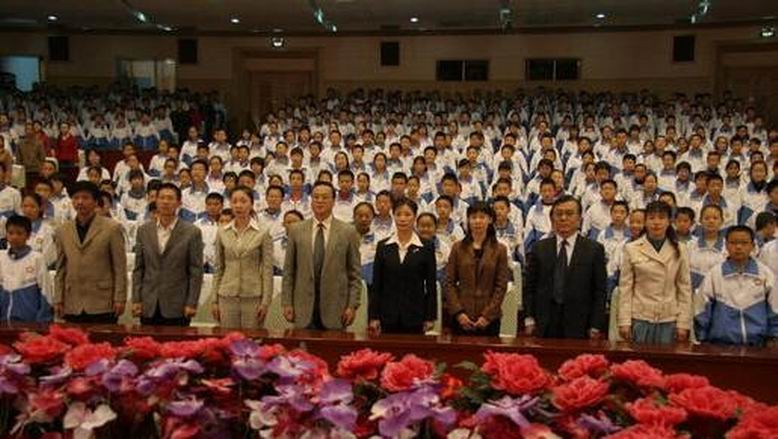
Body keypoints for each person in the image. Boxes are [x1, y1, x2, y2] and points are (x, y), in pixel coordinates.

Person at [522, 195, 607, 339]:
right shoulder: (539, 248)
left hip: (580, 324)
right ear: (552, 219)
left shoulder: (594, 250)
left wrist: (596, 324)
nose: (563, 218)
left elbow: (600, 291)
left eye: (569, 213)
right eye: (559, 214)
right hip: (544, 322)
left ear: (579, 219)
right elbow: (530, 287)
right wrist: (529, 317)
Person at [281, 181, 362, 330]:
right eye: (316, 197)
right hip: (302, 308)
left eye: (325, 197)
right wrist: (287, 303)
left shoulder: (348, 232)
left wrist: (352, 305)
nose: (320, 201)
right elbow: (289, 271)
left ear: (333, 201)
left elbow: (354, 274)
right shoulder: (296, 230)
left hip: (336, 309)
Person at [618, 201, 693, 344]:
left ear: (669, 221)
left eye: (662, 218)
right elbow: (625, 288)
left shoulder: (680, 249)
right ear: (645, 222)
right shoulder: (631, 248)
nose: (656, 222)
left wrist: (683, 323)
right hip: (640, 317)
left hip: (669, 318)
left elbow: (684, 288)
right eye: (651, 218)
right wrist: (624, 321)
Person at [53, 181, 127, 323]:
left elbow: (120, 267)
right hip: (72, 301)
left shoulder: (112, 228)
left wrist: (120, 298)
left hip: (103, 302)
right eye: (76, 198)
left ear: (95, 202)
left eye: (85, 198)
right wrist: (58, 299)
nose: (80, 202)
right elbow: (60, 268)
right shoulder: (63, 230)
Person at [132, 183, 204, 326]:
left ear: (179, 203)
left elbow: (196, 271)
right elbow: (139, 269)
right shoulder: (143, 230)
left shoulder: (192, 232)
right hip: (149, 303)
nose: (165, 202)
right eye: (162, 198)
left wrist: (192, 302)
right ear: (156, 201)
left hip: (178, 305)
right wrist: (136, 299)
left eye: (170, 198)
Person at [695, 225, 777, 346]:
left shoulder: (765, 274)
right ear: (726, 245)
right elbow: (702, 310)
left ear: (753, 246)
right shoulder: (714, 274)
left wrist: (773, 337)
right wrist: (702, 338)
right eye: (733, 243)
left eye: (744, 243)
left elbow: (775, 309)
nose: (738, 247)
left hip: (758, 346)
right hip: (719, 346)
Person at [369, 197, 437, 335]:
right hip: (387, 315)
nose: (402, 219)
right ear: (393, 216)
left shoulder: (426, 247)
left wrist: (430, 316)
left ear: (415, 217)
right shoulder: (383, 246)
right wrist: (373, 316)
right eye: (398, 214)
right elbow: (377, 284)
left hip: (415, 315)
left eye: (407, 214)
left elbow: (431, 285)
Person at [210, 186, 274, 329]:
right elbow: (218, 268)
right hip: (226, 295)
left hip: (253, 296)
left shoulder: (263, 232)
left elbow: (267, 270)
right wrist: (214, 300)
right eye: (234, 201)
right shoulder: (222, 232)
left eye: (243, 201)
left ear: (251, 204)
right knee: (228, 339)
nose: (238, 205)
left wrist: (265, 302)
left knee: (252, 339)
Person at [445, 201, 508, 336]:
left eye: (482, 217)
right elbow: (449, 282)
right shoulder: (457, 248)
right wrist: (459, 313)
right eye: (473, 217)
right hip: (461, 316)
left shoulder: (500, 249)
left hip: (489, 319)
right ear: (468, 220)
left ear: (490, 220)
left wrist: (487, 316)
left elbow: (501, 286)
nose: (477, 221)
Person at [0, 215, 52, 322]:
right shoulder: (1, 257)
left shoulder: (37, 259)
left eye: (19, 233)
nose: (14, 237)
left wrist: (41, 322)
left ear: (28, 236)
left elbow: (46, 293)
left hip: (30, 323)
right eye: (11, 233)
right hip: (4, 322)